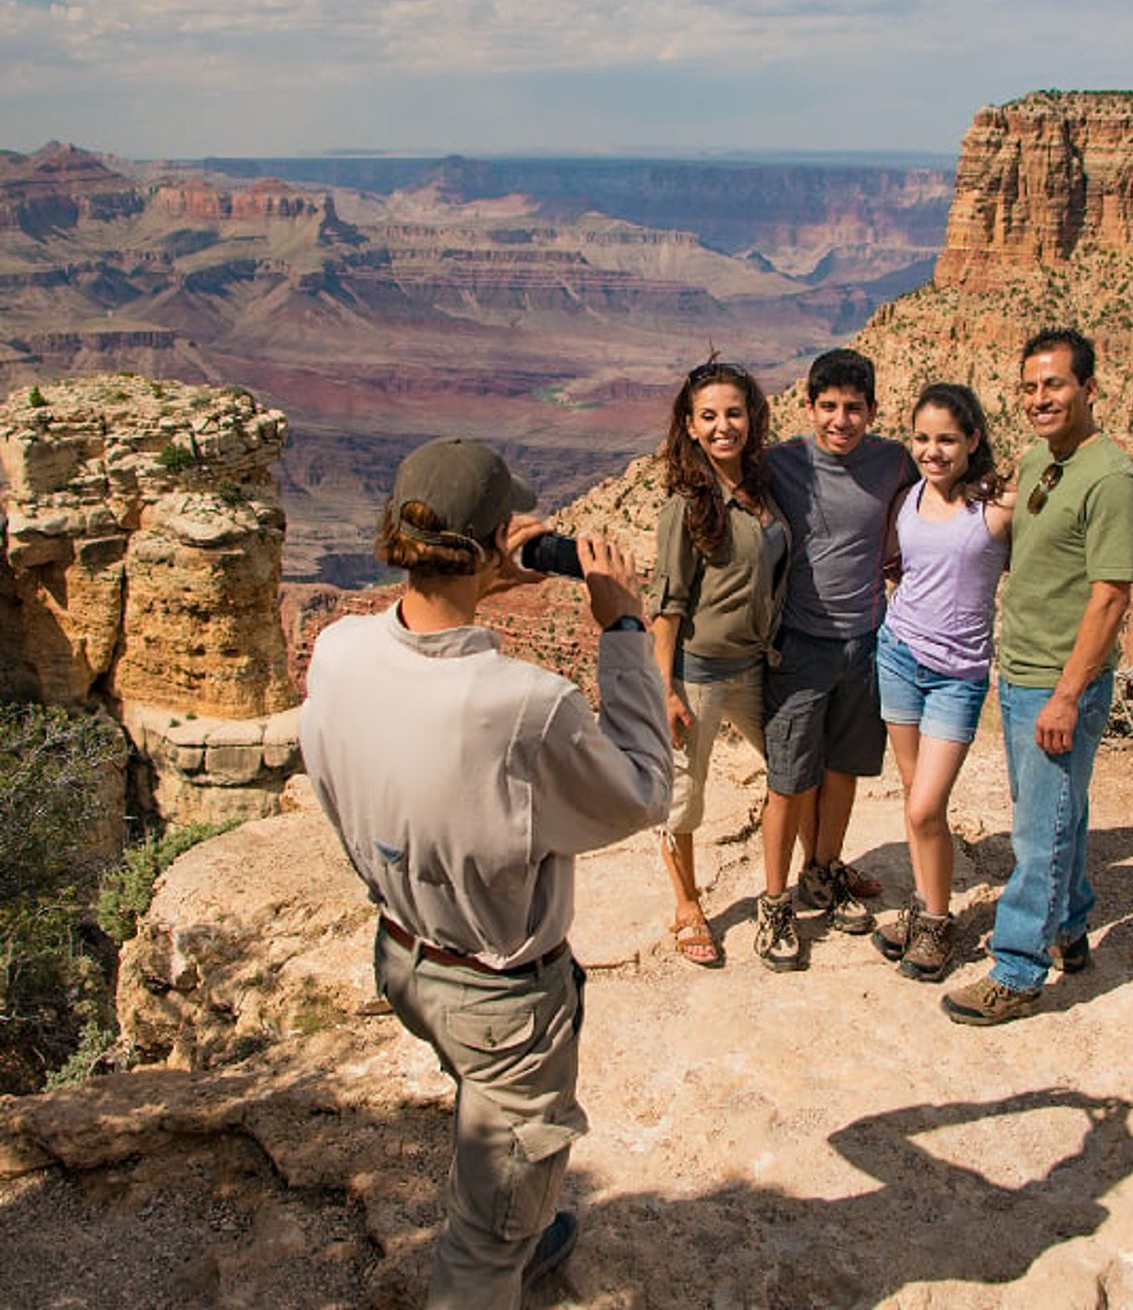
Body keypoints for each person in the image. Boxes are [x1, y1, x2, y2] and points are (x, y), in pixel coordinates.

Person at [299, 438, 671, 1307]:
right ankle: (506, 1243)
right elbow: (643, 792)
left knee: (485, 1116)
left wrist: (484, 584)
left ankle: (520, 1217)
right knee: (478, 1249)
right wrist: (622, 624)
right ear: (497, 543)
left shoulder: (338, 647)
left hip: (403, 960)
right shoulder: (521, 703)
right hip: (502, 1000)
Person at [941, 328, 1133, 1026]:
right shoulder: (1040, 462)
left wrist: (1067, 694)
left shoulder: (1113, 480)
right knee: (1063, 812)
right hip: (1020, 668)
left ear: (1090, 389)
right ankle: (1070, 927)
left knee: (1036, 831)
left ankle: (1018, 969)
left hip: (1061, 682)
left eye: (1054, 385)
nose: (1040, 399)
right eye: (1029, 387)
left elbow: (1111, 597)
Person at [755, 347, 919, 970]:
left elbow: (938, 495)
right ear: (809, 407)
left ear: (873, 410)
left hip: (866, 641)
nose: (841, 421)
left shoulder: (894, 462)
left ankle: (821, 873)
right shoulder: (782, 464)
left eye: (854, 409)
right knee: (789, 779)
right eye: (829, 407)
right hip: (799, 645)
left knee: (844, 768)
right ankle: (774, 905)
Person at [649, 360, 790, 966]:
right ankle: (687, 905)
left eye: (734, 413)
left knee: (792, 767)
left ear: (751, 419)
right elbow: (667, 604)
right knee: (685, 793)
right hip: (700, 674)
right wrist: (667, 689)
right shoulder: (687, 503)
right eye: (709, 416)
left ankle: (812, 872)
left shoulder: (765, 485)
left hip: (759, 665)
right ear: (691, 425)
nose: (723, 425)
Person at [872, 383, 1014, 981]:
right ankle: (927, 909)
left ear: (973, 440)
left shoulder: (998, 506)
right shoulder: (907, 498)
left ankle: (937, 922)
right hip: (899, 654)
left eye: (947, 440)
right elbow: (893, 564)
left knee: (928, 805)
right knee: (915, 801)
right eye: (923, 439)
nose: (933, 452)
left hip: (958, 675)